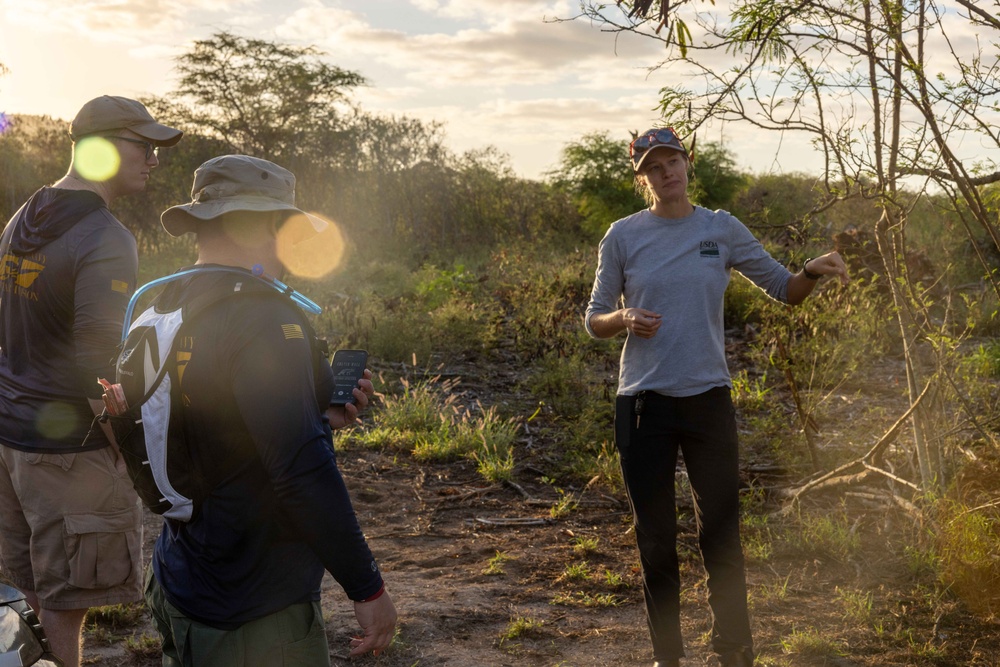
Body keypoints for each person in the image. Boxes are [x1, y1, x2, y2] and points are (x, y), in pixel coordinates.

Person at [584, 127, 849, 667]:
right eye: (654, 167)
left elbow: (783, 289)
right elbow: (594, 318)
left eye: (673, 161)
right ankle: (668, 658)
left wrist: (810, 272)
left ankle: (734, 654)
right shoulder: (622, 236)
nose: (667, 172)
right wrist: (623, 317)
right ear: (643, 177)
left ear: (688, 163)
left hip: (707, 400)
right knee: (656, 539)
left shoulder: (720, 229)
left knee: (722, 535)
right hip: (643, 405)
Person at [142, 154, 397, 666]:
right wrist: (367, 589)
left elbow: (197, 428)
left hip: (178, 577)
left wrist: (317, 418)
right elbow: (302, 473)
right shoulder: (262, 317)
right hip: (254, 605)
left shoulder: (160, 301)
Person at [0, 95, 182, 667]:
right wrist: (124, 448)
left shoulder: (23, 216)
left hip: (11, 439)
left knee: (38, 581)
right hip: (66, 448)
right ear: (99, 149)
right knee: (69, 595)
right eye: (142, 145)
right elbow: (96, 361)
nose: (154, 159)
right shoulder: (105, 235)